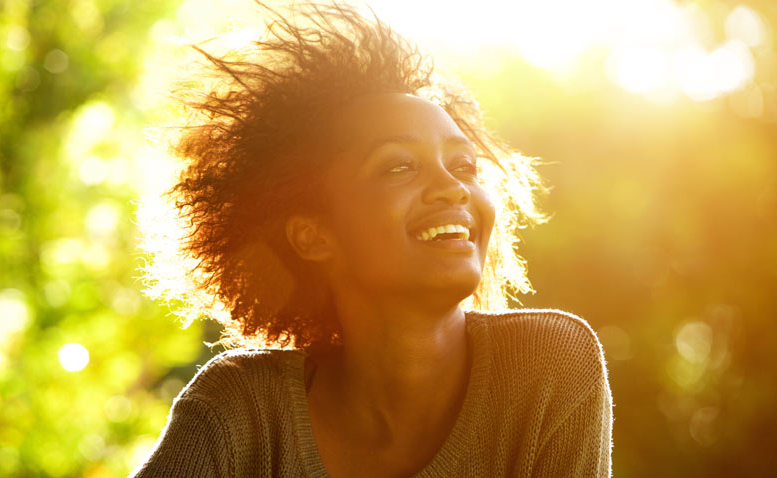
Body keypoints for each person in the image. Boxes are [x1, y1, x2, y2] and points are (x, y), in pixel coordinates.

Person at [131, 1, 613, 477]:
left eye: (463, 165)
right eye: (398, 166)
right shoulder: (240, 410)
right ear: (314, 236)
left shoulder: (549, 367)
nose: (453, 186)